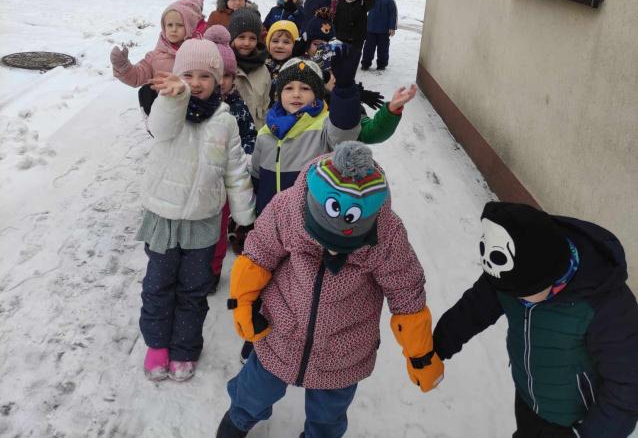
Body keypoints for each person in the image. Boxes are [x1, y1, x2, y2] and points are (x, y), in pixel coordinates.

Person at [215, 141, 443, 438]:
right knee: (254, 389)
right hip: (282, 329)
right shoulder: (289, 208)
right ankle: (239, 418)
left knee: (328, 415)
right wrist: (243, 302)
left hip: (344, 347)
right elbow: (259, 252)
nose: (331, 252)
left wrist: (420, 354)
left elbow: (406, 292)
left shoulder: (387, 234)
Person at [433, 202, 638, 438]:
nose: (516, 299)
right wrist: (437, 346)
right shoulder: (512, 277)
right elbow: (474, 308)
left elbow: (628, 388)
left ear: (550, 277)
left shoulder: (606, 307)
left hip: (575, 421)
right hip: (528, 399)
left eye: (523, 293)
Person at [137, 40, 255, 382]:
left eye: (205, 76)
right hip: (164, 217)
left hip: (203, 222)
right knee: (158, 286)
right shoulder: (168, 108)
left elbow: (236, 170)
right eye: (188, 74)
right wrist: (173, 98)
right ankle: (157, 345)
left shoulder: (225, 121)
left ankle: (185, 348)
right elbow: (159, 128)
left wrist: (245, 218)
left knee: (193, 289)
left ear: (218, 81)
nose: (196, 82)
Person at [250, 48, 362, 216]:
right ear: (279, 94)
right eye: (288, 88)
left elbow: (345, 132)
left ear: (317, 94)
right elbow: (256, 177)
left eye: (305, 88)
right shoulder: (266, 132)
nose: (296, 94)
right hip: (269, 218)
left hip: (309, 219)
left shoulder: (325, 126)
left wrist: (345, 90)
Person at [204, 25, 257, 292]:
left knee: (217, 229)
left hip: (225, 181)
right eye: (215, 75)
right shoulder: (194, 106)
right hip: (199, 179)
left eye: (227, 75)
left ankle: (212, 271)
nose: (221, 81)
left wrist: (244, 157)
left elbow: (249, 135)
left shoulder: (237, 105)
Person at [109, 1, 201, 116]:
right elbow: (138, 76)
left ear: (189, 27)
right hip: (166, 110)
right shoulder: (155, 57)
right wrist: (122, 66)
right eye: (169, 25)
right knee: (146, 91)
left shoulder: (200, 52)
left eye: (180, 25)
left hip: (194, 108)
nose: (174, 29)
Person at [228, 8, 271, 130]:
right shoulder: (225, 67)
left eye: (252, 38)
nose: (247, 43)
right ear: (232, 37)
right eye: (241, 37)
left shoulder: (263, 70)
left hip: (256, 134)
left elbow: (265, 105)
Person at [333, 0, 375, 69]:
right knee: (342, 56)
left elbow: (370, 6)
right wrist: (335, 29)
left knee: (354, 57)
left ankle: (350, 72)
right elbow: (338, 14)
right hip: (342, 33)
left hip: (358, 35)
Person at [361, 0, 397, 71]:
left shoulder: (390, 1)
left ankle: (382, 64)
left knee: (383, 49)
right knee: (368, 48)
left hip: (384, 31)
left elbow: (393, 14)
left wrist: (392, 27)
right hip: (370, 29)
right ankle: (365, 63)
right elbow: (364, 7)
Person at [264, 20, 300, 106]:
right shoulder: (261, 65)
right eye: (275, 41)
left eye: (286, 42)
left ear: (295, 45)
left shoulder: (300, 67)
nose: (280, 46)